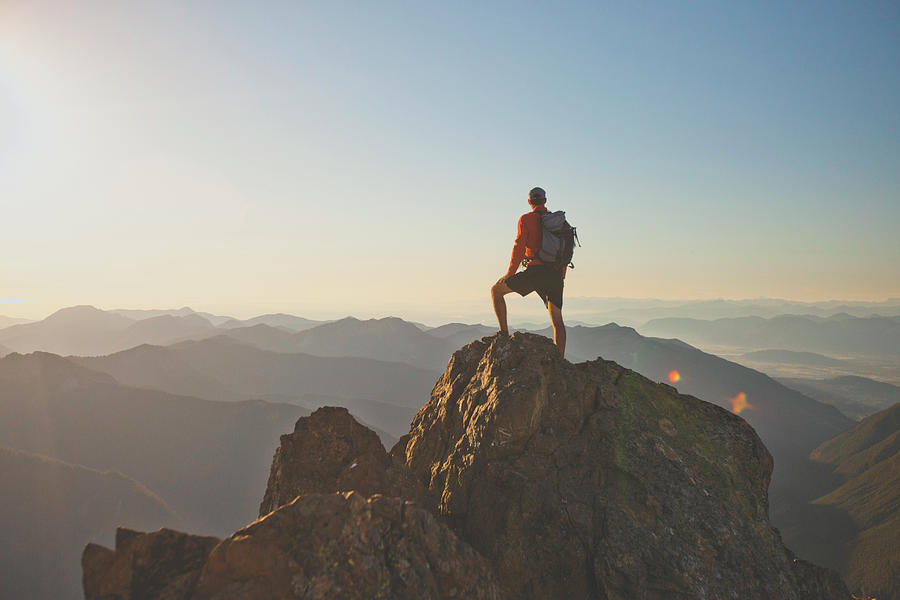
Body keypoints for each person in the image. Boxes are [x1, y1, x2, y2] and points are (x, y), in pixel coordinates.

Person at [491, 186, 566, 358]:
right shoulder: (558, 222)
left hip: (535, 272)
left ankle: (503, 334)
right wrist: (561, 275)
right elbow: (565, 251)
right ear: (545, 201)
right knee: (557, 320)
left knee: (496, 291)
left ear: (529, 202)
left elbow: (518, 248)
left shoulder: (526, 219)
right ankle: (560, 359)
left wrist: (509, 273)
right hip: (555, 274)